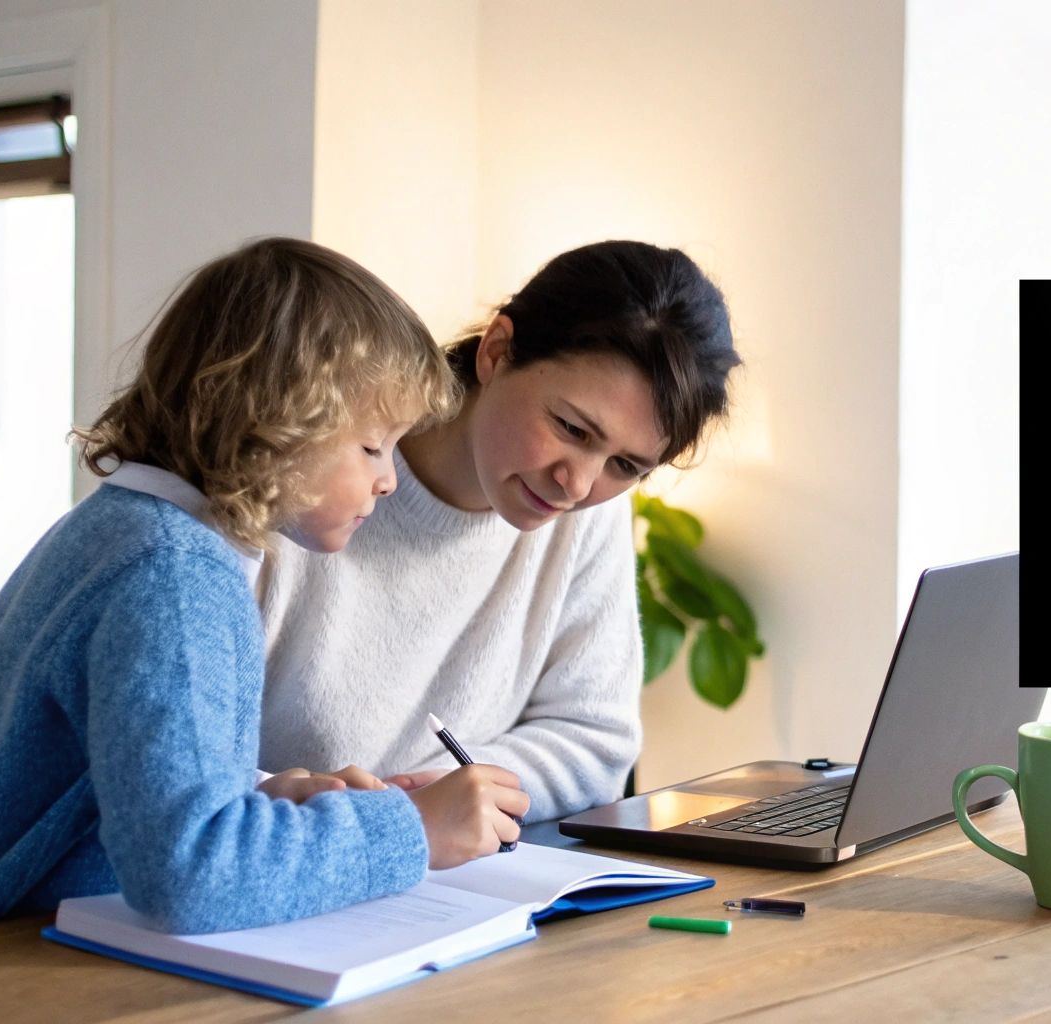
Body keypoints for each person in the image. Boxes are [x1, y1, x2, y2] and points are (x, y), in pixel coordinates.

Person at [0, 238, 528, 936]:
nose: (388, 478)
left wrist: (265, 800)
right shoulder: (175, 577)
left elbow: (124, 802)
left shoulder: (120, 530)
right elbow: (190, 873)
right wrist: (410, 828)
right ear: (278, 421)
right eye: (370, 446)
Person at [258, 241, 741, 821]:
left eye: (626, 466)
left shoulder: (587, 514)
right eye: (572, 428)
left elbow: (594, 740)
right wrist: (353, 811)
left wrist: (443, 796)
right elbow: (173, 769)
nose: (578, 484)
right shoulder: (300, 467)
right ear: (497, 350)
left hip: (453, 872)